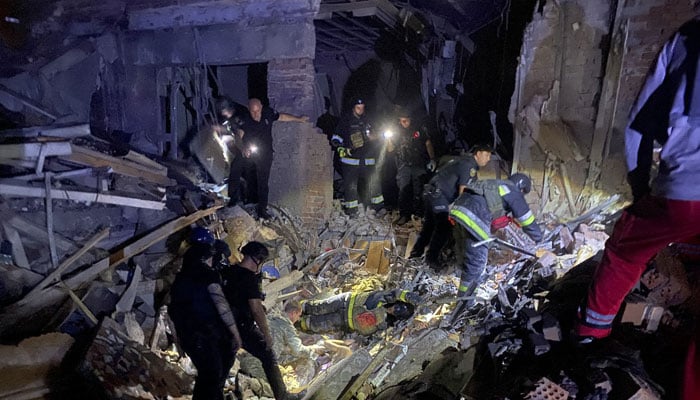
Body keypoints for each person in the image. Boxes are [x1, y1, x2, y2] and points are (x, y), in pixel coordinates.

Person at [572, 14, 700, 399]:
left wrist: (640, 187)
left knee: (626, 249)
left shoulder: (688, 36)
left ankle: (590, 337)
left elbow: (640, 123)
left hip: (685, 189)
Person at [220, 241, 303, 400]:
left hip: (224, 326)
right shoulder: (249, 279)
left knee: (224, 363)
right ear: (257, 259)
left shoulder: (228, 271)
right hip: (243, 326)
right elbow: (256, 309)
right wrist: (266, 334)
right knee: (268, 355)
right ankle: (282, 395)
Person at [169, 227, 242, 400]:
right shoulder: (208, 275)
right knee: (212, 376)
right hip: (204, 335)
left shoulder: (181, 278)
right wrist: (235, 333)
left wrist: (178, 338)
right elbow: (221, 305)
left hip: (190, 336)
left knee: (208, 377)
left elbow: (172, 310)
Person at [449, 174, 543, 297]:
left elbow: (491, 209)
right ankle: (465, 301)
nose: (522, 195)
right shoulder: (512, 191)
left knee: (466, 254)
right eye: (523, 192)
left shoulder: (495, 184)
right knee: (477, 263)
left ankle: (463, 281)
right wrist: (539, 239)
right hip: (474, 217)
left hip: (458, 211)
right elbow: (526, 219)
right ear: (521, 188)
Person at [409, 144, 493, 270]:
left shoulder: (463, 161)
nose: (488, 159)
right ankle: (431, 260)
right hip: (438, 196)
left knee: (429, 226)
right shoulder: (469, 166)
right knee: (444, 227)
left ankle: (415, 256)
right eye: (487, 155)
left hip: (430, 193)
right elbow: (463, 191)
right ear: (478, 153)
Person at [238, 98, 308, 220]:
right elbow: (238, 136)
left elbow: (281, 117)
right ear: (248, 109)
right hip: (250, 153)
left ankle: (262, 210)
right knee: (249, 178)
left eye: (257, 111)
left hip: (265, 153)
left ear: (261, 107)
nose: (255, 114)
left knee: (263, 182)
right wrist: (243, 147)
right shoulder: (244, 119)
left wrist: (299, 119)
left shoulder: (267, 113)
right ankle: (248, 204)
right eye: (253, 111)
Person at [332, 98, 384, 215]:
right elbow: (336, 137)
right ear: (353, 108)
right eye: (358, 108)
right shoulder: (346, 121)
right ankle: (352, 210)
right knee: (351, 186)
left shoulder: (368, 121)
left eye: (362, 108)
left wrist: (375, 136)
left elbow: (379, 135)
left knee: (374, 183)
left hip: (368, 159)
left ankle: (379, 208)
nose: (360, 110)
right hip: (350, 160)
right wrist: (341, 148)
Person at [386, 107, 436, 225]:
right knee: (403, 189)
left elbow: (428, 143)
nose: (404, 123)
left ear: (410, 119)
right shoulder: (397, 131)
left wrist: (432, 159)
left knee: (418, 190)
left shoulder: (419, 129)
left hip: (418, 163)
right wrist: (388, 139)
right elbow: (390, 149)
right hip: (403, 164)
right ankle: (404, 215)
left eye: (406, 121)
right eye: (402, 121)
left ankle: (418, 215)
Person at [298, 289, 420, 336]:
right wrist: (407, 295)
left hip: (344, 320)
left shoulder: (383, 323)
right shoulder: (383, 298)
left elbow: (367, 331)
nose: (394, 309)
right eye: (397, 307)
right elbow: (395, 293)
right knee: (319, 307)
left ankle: (297, 323)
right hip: (345, 301)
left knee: (317, 324)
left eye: (397, 312)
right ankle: (298, 308)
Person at [269, 301, 320, 386]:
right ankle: (301, 386)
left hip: (254, 354)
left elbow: (277, 343)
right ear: (294, 313)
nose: (298, 319)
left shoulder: (273, 317)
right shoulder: (286, 325)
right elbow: (298, 351)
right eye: (298, 315)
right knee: (307, 359)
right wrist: (313, 350)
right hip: (264, 363)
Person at [215, 97, 246, 207]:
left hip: (247, 147)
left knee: (242, 171)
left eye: (224, 111)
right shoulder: (225, 119)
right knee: (235, 173)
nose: (224, 114)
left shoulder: (241, 116)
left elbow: (239, 134)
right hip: (237, 148)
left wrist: (242, 148)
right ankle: (234, 200)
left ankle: (244, 199)